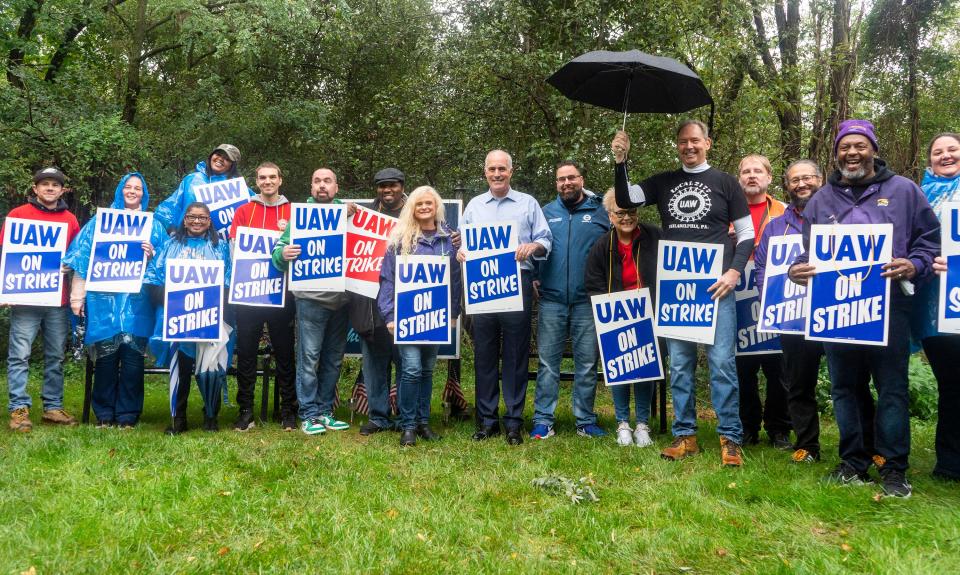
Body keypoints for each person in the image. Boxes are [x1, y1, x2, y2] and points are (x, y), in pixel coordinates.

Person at [788, 119, 940, 497]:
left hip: (889, 307)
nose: (851, 153)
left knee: (891, 389)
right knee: (844, 388)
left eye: (859, 146)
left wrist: (914, 264)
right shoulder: (822, 199)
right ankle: (853, 462)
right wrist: (798, 270)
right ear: (836, 153)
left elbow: (929, 242)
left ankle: (893, 469)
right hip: (837, 309)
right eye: (844, 147)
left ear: (873, 148)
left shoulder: (904, 190)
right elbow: (810, 252)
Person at [612, 120, 753, 467]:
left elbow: (747, 234)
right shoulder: (664, 182)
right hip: (677, 287)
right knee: (679, 365)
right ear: (677, 146)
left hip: (717, 286)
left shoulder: (726, 183)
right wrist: (621, 162)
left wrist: (734, 271)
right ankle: (685, 435)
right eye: (682, 142)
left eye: (694, 141)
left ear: (707, 142)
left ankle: (730, 438)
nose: (688, 147)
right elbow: (627, 198)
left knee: (721, 363)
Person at [755, 160, 878, 464]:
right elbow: (762, 270)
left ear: (821, 179)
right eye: (795, 180)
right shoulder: (775, 227)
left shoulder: (846, 215)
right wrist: (772, 301)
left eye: (807, 177)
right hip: (793, 318)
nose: (802, 184)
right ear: (787, 185)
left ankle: (871, 446)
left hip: (838, 314)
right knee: (798, 384)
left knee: (852, 382)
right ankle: (807, 446)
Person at [458, 150, 552, 445]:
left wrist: (533, 246)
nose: (497, 174)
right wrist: (461, 252)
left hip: (517, 282)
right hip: (482, 285)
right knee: (484, 353)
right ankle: (487, 421)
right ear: (484, 172)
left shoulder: (528, 203)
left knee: (515, 354)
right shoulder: (474, 205)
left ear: (511, 171)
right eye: (492, 169)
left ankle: (513, 421)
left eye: (502, 169)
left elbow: (546, 239)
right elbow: (464, 242)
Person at [63, 172, 166, 428]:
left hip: (138, 302)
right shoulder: (100, 222)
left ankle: (128, 415)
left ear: (144, 194)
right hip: (103, 302)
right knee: (106, 359)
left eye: (138, 188)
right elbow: (82, 259)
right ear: (121, 190)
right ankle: (105, 414)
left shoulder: (154, 226)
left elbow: (167, 264)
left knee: (132, 360)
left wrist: (152, 254)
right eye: (128, 187)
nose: (133, 191)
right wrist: (78, 296)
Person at [530, 161, 610, 439]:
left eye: (571, 178)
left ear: (581, 179)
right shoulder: (545, 212)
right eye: (561, 179)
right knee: (548, 364)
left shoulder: (601, 211)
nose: (566, 183)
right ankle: (543, 420)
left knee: (587, 364)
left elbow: (617, 244)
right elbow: (532, 244)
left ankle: (585, 421)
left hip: (587, 301)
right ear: (556, 184)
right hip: (551, 300)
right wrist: (534, 276)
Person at [378, 185, 462, 446]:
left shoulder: (449, 239)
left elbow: (455, 279)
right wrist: (389, 315)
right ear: (411, 208)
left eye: (429, 203)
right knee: (411, 369)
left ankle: (424, 423)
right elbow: (387, 279)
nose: (425, 207)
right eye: (419, 204)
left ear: (437, 207)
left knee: (427, 370)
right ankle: (408, 426)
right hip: (407, 317)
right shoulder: (400, 239)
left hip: (436, 316)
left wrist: (453, 312)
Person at [271, 168, 352, 435]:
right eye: (317, 181)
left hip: (341, 300)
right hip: (310, 300)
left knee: (333, 359)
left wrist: (352, 215)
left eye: (327, 181)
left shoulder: (349, 215)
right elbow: (276, 254)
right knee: (309, 359)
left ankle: (325, 411)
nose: (322, 186)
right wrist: (284, 253)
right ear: (311, 187)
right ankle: (308, 414)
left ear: (336, 188)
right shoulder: (299, 217)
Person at [3, 167, 81, 432]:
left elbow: (77, 255)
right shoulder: (18, 215)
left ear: (62, 190)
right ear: (35, 189)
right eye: (44, 184)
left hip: (57, 301)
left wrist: (69, 267)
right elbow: (6, 254)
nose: (49, 188)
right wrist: (6, 290)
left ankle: (52, 406)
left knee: (56, 356)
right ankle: (18, 409)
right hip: (25, 301)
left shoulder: (70, 219)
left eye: (55, 185)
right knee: (19, 355)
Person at [144, 202, 232, 433]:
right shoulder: (170, 245)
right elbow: (154, 280)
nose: (196, 221)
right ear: (184, 220)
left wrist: (212, 303)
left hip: (210, 315)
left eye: (202, 217)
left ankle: (211, 416)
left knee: (210, 367)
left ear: (209, 220)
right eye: (192, 217)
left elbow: (229, 280)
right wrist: (175, 300)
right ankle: (178, 417)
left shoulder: (220, 247)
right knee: (180, 368)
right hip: (178, 316)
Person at [584, 189, 662, 447]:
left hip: (649, 315)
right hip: (616, 316)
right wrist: (606, 308)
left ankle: (642, 424)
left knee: (645, 369)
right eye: (620, 212)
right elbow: (592, 282)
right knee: (620, 368)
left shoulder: (655, 236)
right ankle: (623, 424)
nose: (626, 217)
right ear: (610, 215)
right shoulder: (602, 245)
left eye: (631, 212)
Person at [228, 162, 297, 432]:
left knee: (284, 353)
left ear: (280, 180)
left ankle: (288, 410)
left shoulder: (293, 212)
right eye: (262, 178)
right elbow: (235, 250)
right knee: (246, 354)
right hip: (249, 294)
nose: (267, 181)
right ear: (256, 181)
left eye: (272, 177)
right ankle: (245, 410)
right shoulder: (244, 210)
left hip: (282, 293)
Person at [734, 154, 791, 448]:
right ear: (739, 178)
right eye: (746, 171)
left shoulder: (784, 210)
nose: (751, 176)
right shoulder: (729, 210)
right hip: (738, 298)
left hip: (775, 294)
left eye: (758, 171)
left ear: (769, 177)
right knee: (743, 371)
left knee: (778, 369)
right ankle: (747, 427)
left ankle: (779, 428)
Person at [914, 133, 960, 481]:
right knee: (952, 383)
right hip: (936, 308)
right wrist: (930, 260)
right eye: (937, 152)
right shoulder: (919, 196)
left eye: (952, 150)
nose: (945, 156)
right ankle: (950, 463)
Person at [351, 167, 407, 436]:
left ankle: (406, 416)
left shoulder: (414, 213)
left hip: (406, 301)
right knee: (374, 363)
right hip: (370, 303)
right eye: (382, 186)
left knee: (406, 363)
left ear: (402, 186)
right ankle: (379, 415)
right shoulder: (363, 218)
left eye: (392, 185)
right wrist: (344, 213)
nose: (387, 190)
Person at [155, 144, 245, 235]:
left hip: (219, 245)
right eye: (218, 154)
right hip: (186, 240)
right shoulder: (192, 179)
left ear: (232, 165)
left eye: (227, 159)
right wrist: (172, 230)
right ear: (211, 156)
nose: (220, 159)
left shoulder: (238, 187)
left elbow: (254, 206)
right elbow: (171, 206)